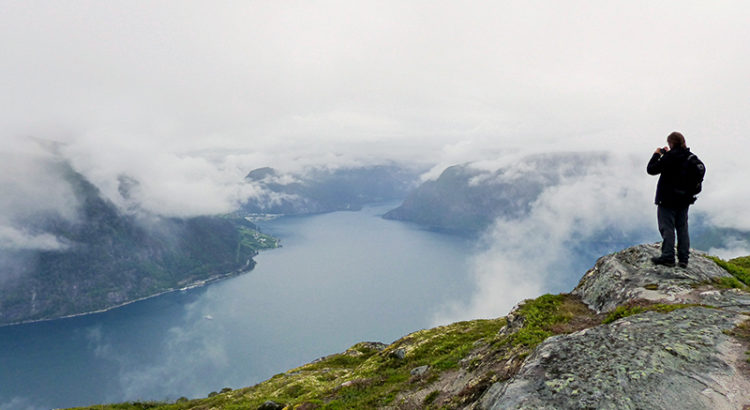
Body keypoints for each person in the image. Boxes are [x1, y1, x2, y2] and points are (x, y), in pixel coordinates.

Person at [647, 131, 696, 268]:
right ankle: (683, 259)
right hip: (684, 199)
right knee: (682, 228)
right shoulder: (690, 157)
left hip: (667, 199)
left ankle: (668, 256)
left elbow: (651, 169)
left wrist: (657, 154)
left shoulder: (669, 157)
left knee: (667, 227)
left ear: (671, 143)